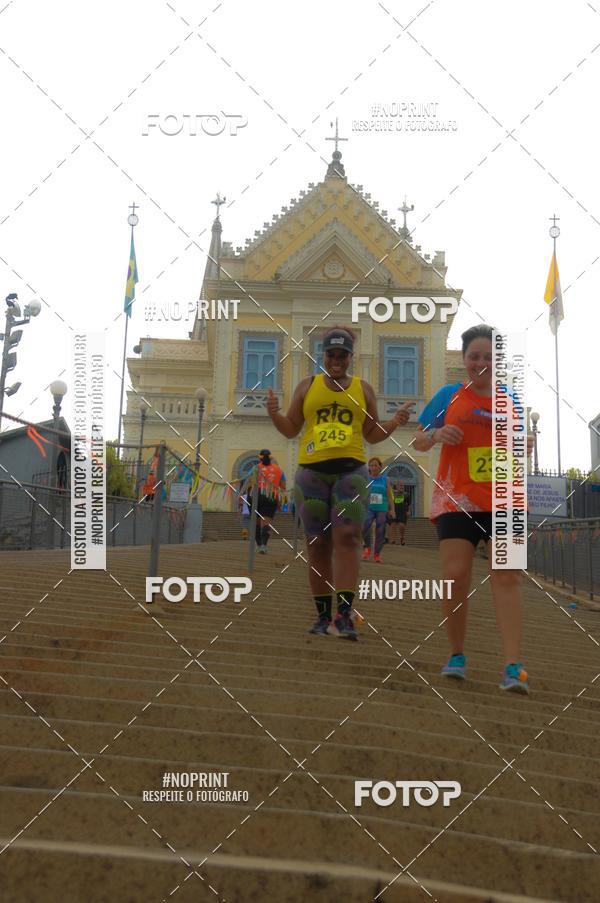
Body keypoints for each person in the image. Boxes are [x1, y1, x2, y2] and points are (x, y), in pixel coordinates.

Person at [266, 326, 413, 639]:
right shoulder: (307, 386)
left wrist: (394, 423)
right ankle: (322, 616)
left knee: (347, 538)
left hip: (351, 472)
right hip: (312, 473)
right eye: (330, 354)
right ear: (323, 355)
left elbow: (372, 433)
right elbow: (291, 428)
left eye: (342, 355)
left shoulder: (364, 389)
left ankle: (343, 615)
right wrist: (274, 414)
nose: (336, 360)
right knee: (317, 544)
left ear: (350, 357)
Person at [412, 324, 533, 693]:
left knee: (508, 577)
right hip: (456, 500)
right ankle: (457, 654)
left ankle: (513, 666)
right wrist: (436, 434)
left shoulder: (511, 400)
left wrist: (523, 444)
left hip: (505, 500)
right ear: (464, 359)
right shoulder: (450, 395)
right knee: (455, 576)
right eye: (473, 356)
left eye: (488, 357)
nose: (480, 363)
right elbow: (418, 440)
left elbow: (516, 449)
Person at [362, 457, 395, 562]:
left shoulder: (386, 480)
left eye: (376, 465)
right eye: (371, 465)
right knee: (365, 526)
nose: (373, 467)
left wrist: (392, 509)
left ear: (380, 467)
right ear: (369, 468)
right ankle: (367, 548)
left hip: (382, 508)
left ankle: (377, 554)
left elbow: (390, 496)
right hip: (369, 508)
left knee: (380, 530)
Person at [253, 449, 286, 553]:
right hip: (272, 496)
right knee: (266, 523)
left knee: (256, 523)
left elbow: (250, 483)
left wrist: (241, 495)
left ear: (260, 458)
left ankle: (258, 545)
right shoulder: (279, 470)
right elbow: (283, 488)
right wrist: (281, 502)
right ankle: (264, 545)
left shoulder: (256, 468)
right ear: (271, 458)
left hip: (257, 496)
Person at [387, 481, 410, 545]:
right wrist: (389, 511)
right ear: (396, 486)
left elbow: (408, 504)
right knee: (393, 525)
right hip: (394, 512)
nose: (402, 487)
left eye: (402, 485)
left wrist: (408, 511)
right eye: (400, 485)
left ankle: (402, 537)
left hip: (402, 513)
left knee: (401, 526)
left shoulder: (406, 495)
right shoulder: (393, 494)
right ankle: (393, 540)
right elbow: (389, 502)